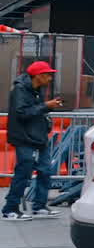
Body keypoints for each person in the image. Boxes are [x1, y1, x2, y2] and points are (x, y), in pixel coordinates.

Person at [3, 61, 63, 221]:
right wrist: (45, 105)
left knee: (45, 171)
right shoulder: (20, 89)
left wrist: (48, 106)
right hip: (25, 138)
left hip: (38, 137)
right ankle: (10, 209)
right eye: (48, 75)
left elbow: (35, 111)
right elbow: (22, 113)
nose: (50, 79)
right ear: (38, 76)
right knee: (23, 173)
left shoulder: (35, 89)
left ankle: (39, 206)